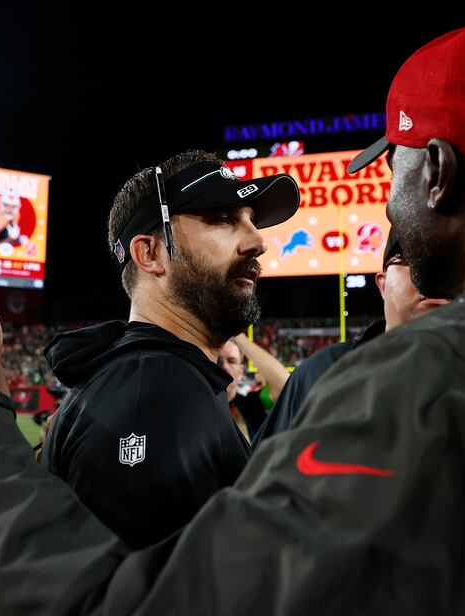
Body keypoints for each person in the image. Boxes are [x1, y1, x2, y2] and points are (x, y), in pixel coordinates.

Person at [0, 12, 465, 615]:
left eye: (397, 169)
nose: (258, 243)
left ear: (436, 172)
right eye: (224, 221)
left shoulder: (428, 385)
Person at [40, 150, 299, 548]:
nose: (257, 241)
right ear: (151, 253)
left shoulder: (170, 378)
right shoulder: (156, 394)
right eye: (223, 219)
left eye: (251, 220)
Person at [252, 230, 448, 447]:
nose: (435, 276)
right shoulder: (321, 374)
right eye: (413, 259)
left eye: (454, 264)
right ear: (383, 285)